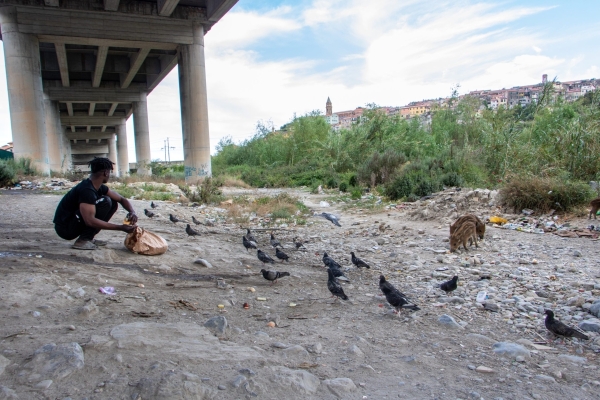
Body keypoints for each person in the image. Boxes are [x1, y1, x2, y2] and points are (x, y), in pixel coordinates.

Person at [53, 157, 138, 250]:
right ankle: (83, 240)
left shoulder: (98, 187)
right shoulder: (87, 190)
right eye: (109, 172)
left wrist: (132, 212)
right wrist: (121, 227)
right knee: (106, 201)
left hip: (73, 223)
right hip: (65, 228)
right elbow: (89, 221)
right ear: (106, 173)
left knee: (113, 202)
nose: (109, 175)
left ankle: (88, 238)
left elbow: (121, 199)